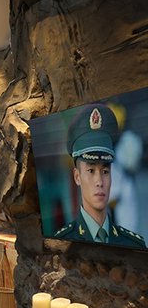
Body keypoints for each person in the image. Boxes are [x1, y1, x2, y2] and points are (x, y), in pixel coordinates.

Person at [54, 103, 146, 248]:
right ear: (77, 177)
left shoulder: (135, 244)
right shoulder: (61, 245)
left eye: (105, 171)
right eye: (91, 171)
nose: (99, 181)